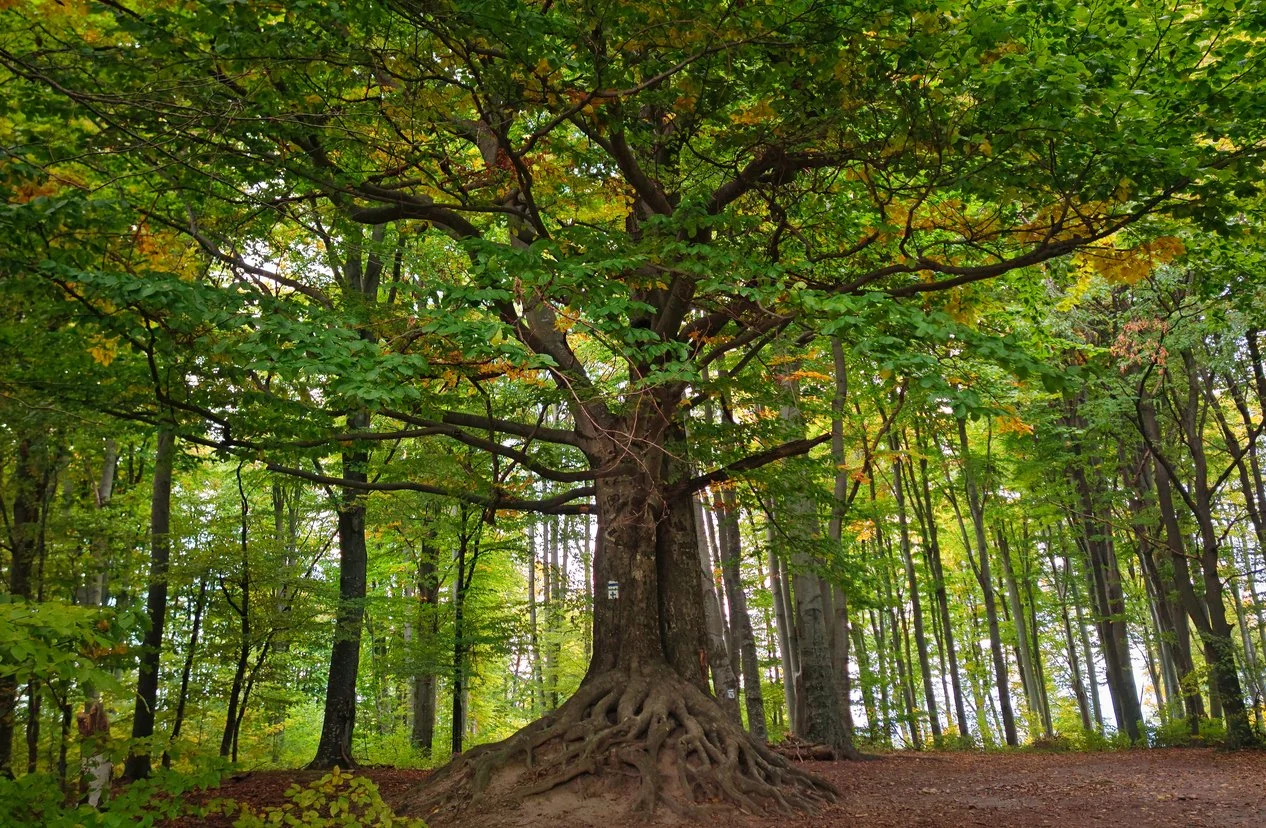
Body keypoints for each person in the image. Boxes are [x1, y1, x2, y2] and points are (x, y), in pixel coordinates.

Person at [76, 700, 111, 808]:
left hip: (99, 758)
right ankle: (92, 807)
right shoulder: (88, 724)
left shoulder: (103, 726)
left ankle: (96, 807)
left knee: (99, 784)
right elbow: (80, 717)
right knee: (94, 784)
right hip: (92, 759)